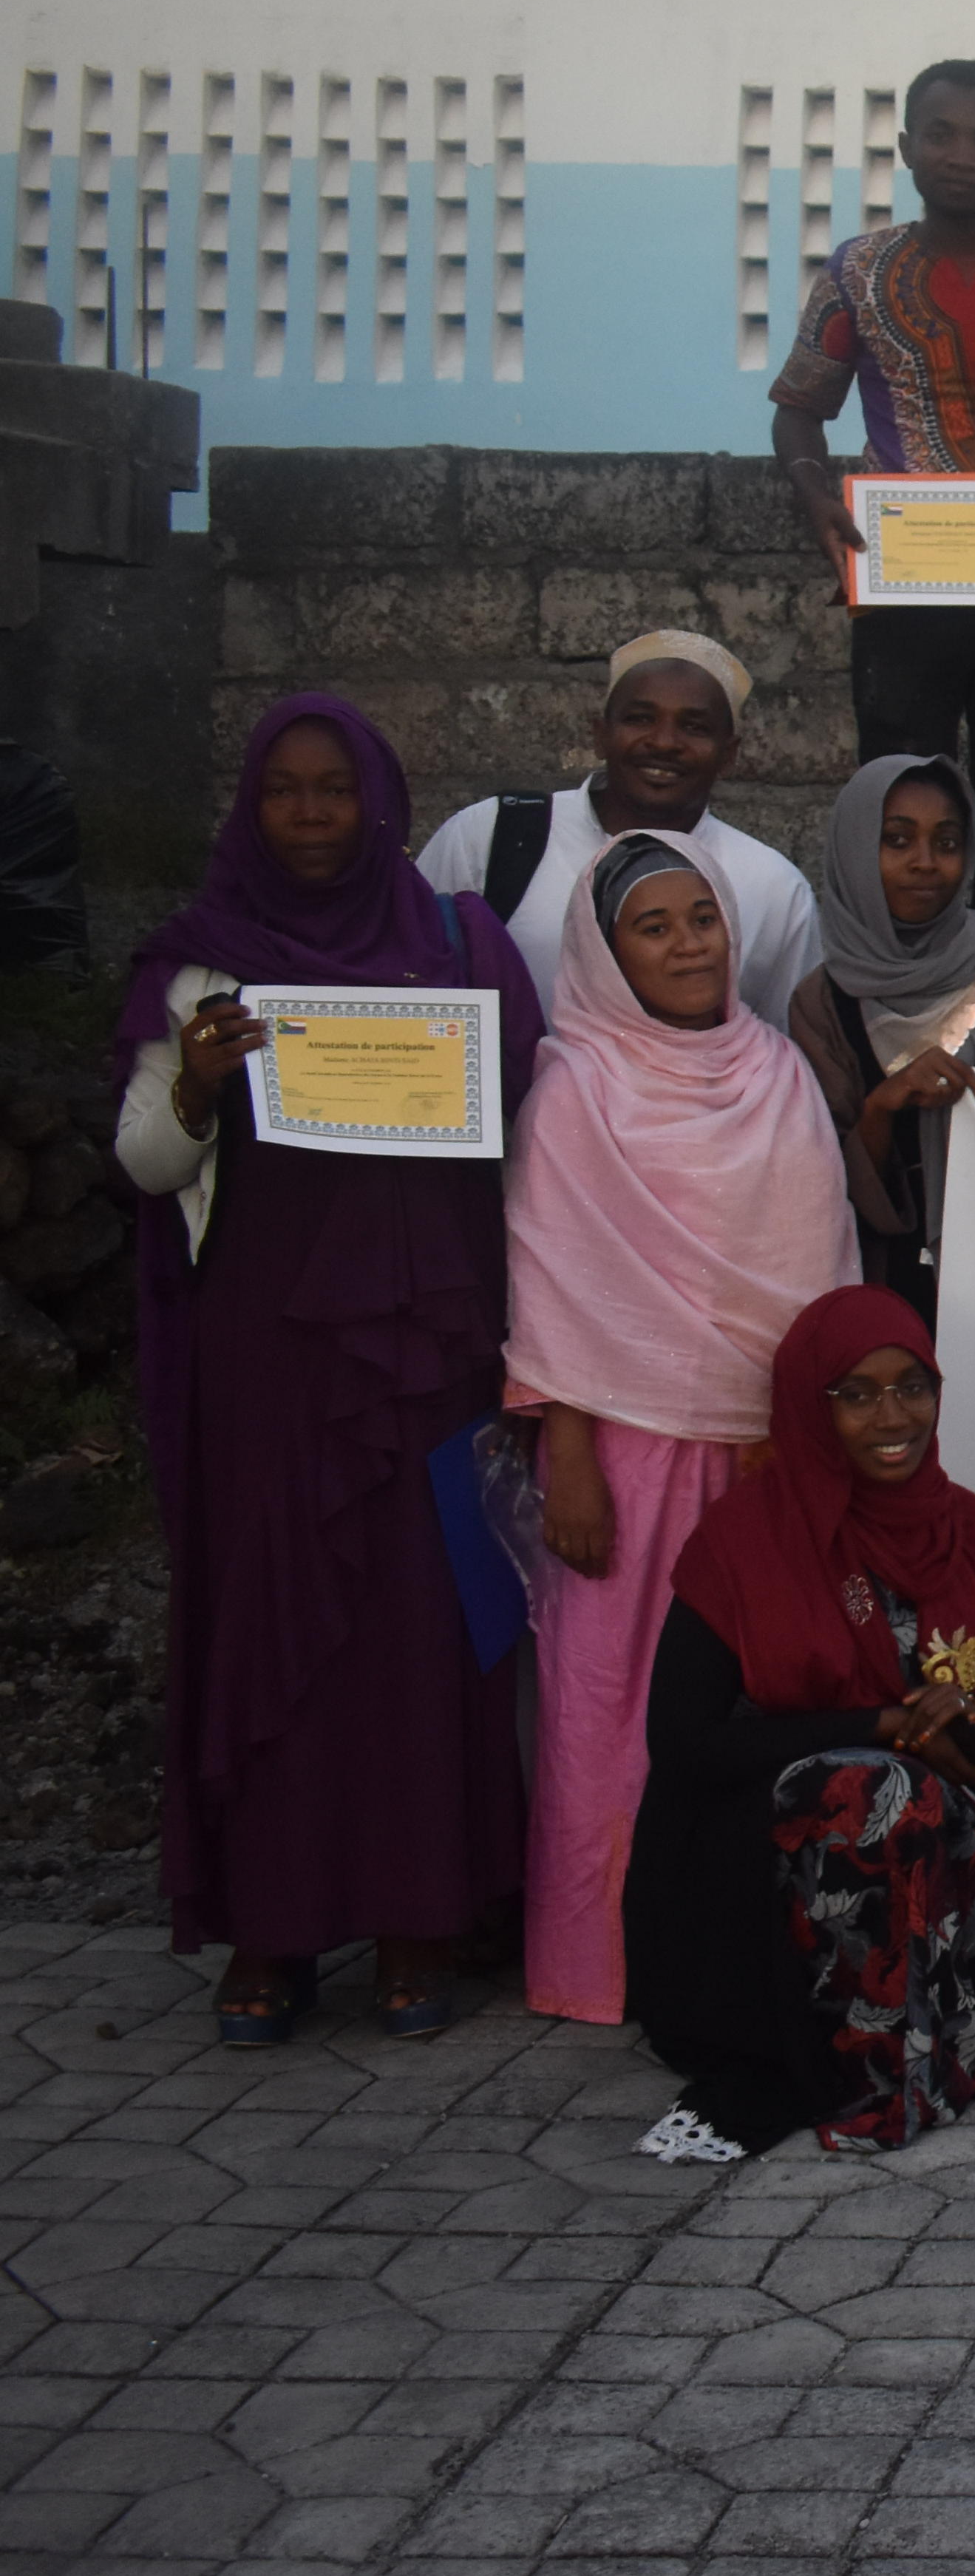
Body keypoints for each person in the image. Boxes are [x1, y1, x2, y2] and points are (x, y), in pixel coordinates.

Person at [116, 696, 543, 2045]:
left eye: (333, 791)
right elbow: (144, 1163)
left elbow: (525, 1114)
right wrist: (193, 1086)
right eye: (284, 792)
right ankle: (275, 1929)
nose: (309, 816)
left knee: (421, 1627)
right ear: (251, 807)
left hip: (424, 1345)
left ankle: (421, 1911)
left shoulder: (453, 941)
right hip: (269, 1353)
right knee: (270, 1617)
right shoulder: (200, 967)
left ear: (380, 805)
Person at [503, 830, 864, 2025]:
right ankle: (600, 1963)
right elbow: (553, 1286)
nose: (687, 946)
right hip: (619, 1455)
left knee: (747, 1707)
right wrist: (566, 1458)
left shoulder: (778, 1075)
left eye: (699, 919)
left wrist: (799, 1449)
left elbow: (814, 1274)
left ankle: (734, 1953)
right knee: (605, 1702)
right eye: (652, 928)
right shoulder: (576, 1093)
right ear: (606, 956)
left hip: (762, 1458)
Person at [623, 1288, 975, 2162]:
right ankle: (888, 2065)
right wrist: (877, 1725)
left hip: (934, 1839)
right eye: (857, 1394)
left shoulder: (969, 1528)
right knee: (880, 1784)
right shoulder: (742, 1540)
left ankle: (926, 2000)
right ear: (814, 1407)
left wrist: (973, 1711)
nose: (894, 1416)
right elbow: (684, 1743)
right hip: (760, 1862)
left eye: (913, 1386)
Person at [767, 61, 975, 929]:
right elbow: (799, 413)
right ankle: (891, 1014)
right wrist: (817, 502)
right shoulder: (859, 272)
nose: (963, 155)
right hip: (901, 597)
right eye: (942, 135)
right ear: (907, 149)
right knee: (897, 817)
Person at [784, 754, 975, 1316]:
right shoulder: (822, 1002)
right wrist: (883, 1108)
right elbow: (816, 1183)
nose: (925, 863)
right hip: (888, 1289)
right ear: (854, 850)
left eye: (946, 843)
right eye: (896, 840)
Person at [415, 631, 820, 1030]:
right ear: (600, 734)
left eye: (694, 727)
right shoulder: (490, 836)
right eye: (640, 719)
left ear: (728, 753)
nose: (664, 742)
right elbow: (413, 977)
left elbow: (785, 1048)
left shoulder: (774, 888)